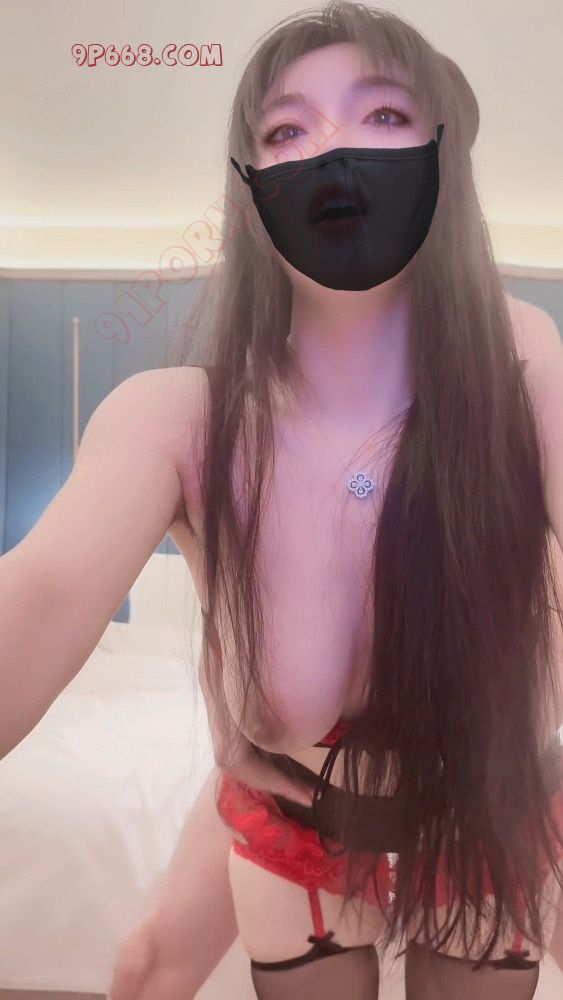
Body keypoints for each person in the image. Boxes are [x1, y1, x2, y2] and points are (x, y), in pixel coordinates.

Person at [2, 3, 563, 999]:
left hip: (484, 806)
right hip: (295, 811)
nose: (334, 152)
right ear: (250, 188)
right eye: (286, 129)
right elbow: (38, 598)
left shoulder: (521, 368)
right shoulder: (177, 421)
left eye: (383, 115)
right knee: (145, 966)